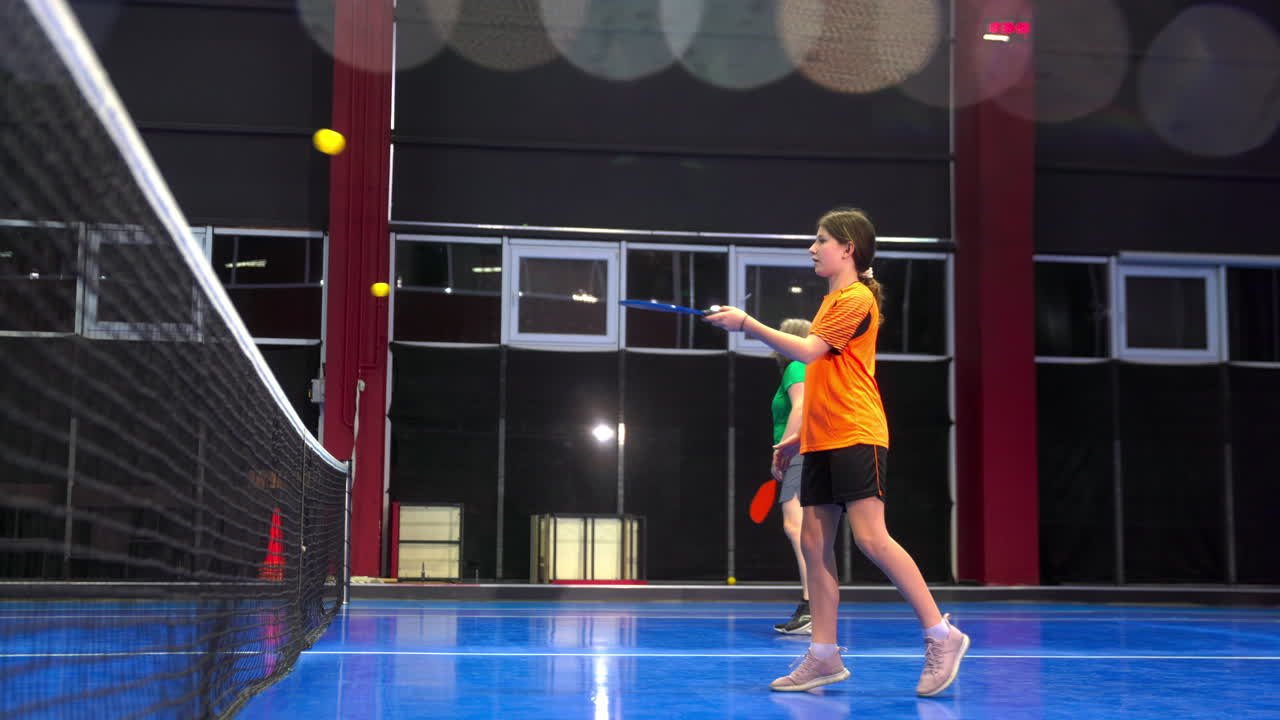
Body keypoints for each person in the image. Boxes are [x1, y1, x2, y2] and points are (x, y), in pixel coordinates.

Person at [706, 208, 969, 696]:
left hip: (856, 431)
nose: (813, 248)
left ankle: (942, 634)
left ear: (848, 248)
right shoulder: (831, 300)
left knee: (872, 538)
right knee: (812, 543)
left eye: (821, 240)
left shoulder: (855, 297)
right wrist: (796, 436)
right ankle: (823, 656)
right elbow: (820, 375)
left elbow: (807, 353)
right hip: (823, 437)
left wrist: (748, 324)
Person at [771, 318, 812, 635]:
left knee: (796, 528)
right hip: (802, 453)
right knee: (806, 532)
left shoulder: (797, 365)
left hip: (800, 453)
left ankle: (812, 607)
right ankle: (813, 607)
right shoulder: (800, 367)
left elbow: (800, 408)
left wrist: (781, 450)